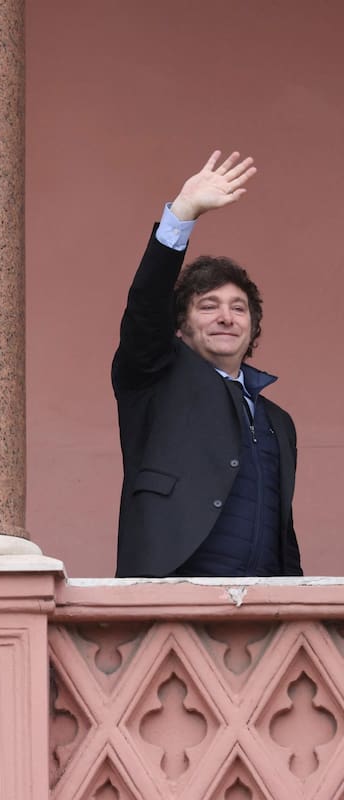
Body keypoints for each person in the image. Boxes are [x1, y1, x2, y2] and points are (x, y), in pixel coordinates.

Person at [113, 150, 301, 578]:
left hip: (262, 604)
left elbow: (282, 532)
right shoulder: (154, 379)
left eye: (238, 308)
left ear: (253, 327)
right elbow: (145, 311)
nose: (225, 317)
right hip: (169, 595)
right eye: (208, 306)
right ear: (180, 327)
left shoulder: (278, 421)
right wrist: (182, 215)